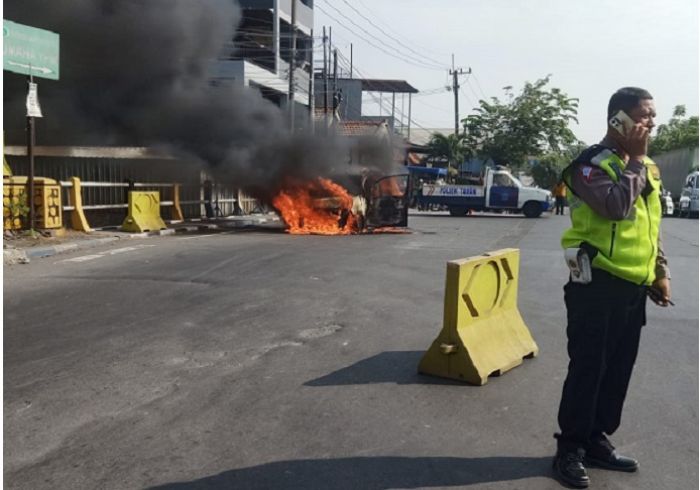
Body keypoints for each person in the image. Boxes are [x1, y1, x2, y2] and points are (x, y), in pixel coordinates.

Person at [552, 87, 671, 488]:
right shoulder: (590, 166)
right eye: (643, 116)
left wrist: (659, 271)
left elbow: (650, 224)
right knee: (589, 368)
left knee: (618, 371)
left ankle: (596, 439)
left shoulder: (647, 167)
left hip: (633, 287)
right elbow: (617, 206)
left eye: (653, 116)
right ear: (617, 120)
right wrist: (635, 160)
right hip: (596, 284)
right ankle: (569, 448)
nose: (650, 124)